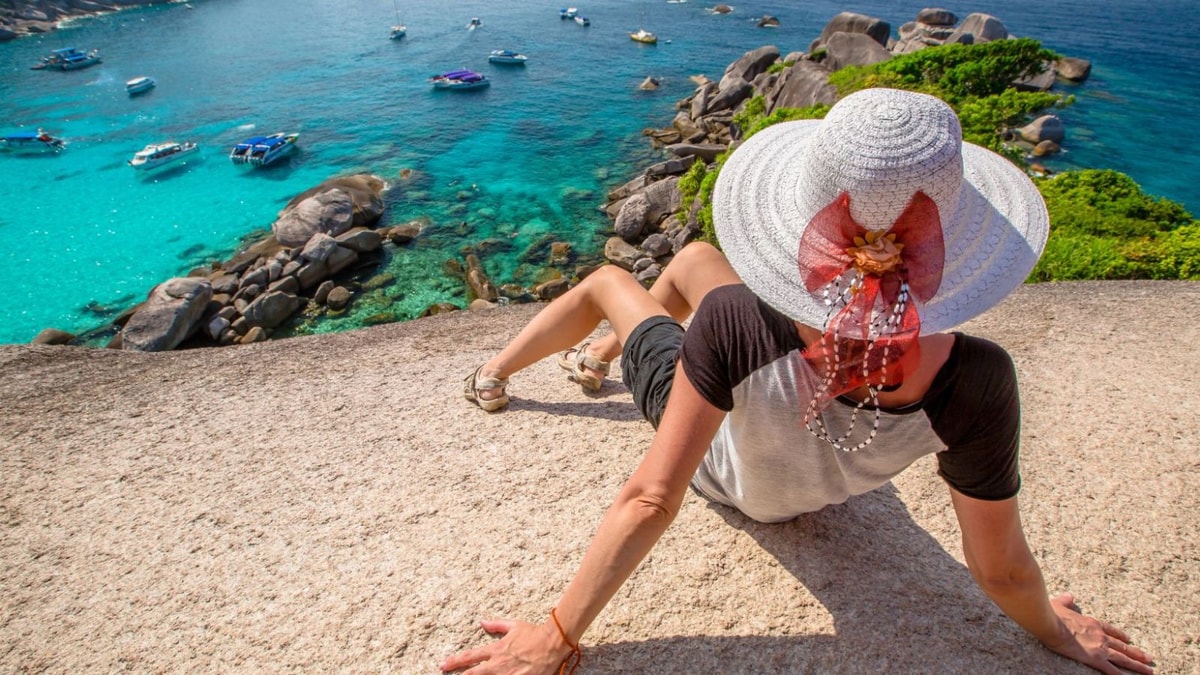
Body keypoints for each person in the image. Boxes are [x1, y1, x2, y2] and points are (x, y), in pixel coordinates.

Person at [444, 89, 1155, 675]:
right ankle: (603, 350)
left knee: (609, 279)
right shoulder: (980, 380)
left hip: (721, 459)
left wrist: (559, 634)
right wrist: (1056, 630)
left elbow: (653, 495)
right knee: (694, 259)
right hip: (777, 414)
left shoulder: (734, 323)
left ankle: (500, 370)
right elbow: (1000, 567)